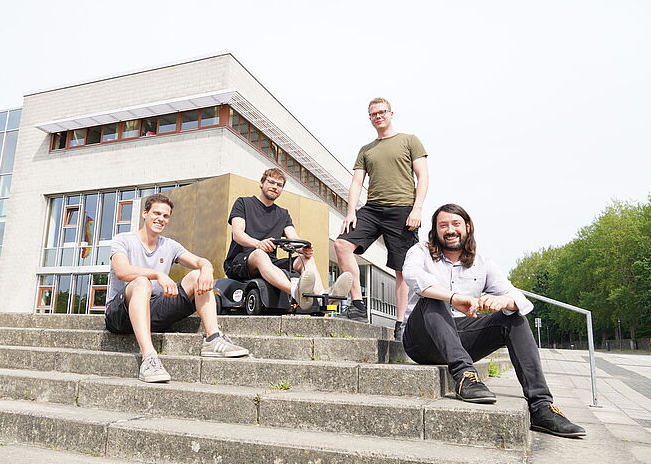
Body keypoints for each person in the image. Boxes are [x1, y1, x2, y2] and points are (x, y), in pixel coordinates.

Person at [402, 203, 586, 438]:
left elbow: (517, 297)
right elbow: (413, 276)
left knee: (513, 316)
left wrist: (504, 302)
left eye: (456, 224)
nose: (450, 230)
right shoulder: (420, 251)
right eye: (443, 225)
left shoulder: (483, 261)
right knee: (432, 295)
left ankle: (541, 407)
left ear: (467, 227)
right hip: (422, 340)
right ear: (435, 230)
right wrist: (453, 297)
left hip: (461, 335)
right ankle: (465, 377)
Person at [105, 193, 249, 383]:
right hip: (120, 315)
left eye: (165, 216)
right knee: (141, 281)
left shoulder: (169, 245)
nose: (160, 219)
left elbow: (198, 260)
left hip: (153, 311)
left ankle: (213, 339)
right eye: (156, 213)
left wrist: (206, 267)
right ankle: (149, 358)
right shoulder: (123, 239)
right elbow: (122, 271)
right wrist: (157, 274)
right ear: (145, 214)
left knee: (197, 275)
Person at [334, 97, 428, 338]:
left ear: (391, 114)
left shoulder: (409, 141)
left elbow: (423, 176)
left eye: (382, 112)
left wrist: (417, 209)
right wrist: (351, 211)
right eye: (374, 113)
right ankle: (357, 306)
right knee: (342, 244)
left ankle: (401, 324)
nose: (378, 116)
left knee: (401, 270)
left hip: (403, 209)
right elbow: (356, 182)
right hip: (373, 209)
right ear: (370, 118)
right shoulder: (366, 150)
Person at [224, 168, 353, 310]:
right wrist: (258, 244)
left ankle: (323, 296)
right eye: (271, 182)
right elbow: (237, 233)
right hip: (239, 261)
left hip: (270, 262)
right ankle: (295, 291)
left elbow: (293, 238)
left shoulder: (283, 214)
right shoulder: (243, 203)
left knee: (307, 259)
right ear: (261, 183)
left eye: (279, 185)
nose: (275, 187)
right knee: (260, 254)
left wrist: (303, 249)